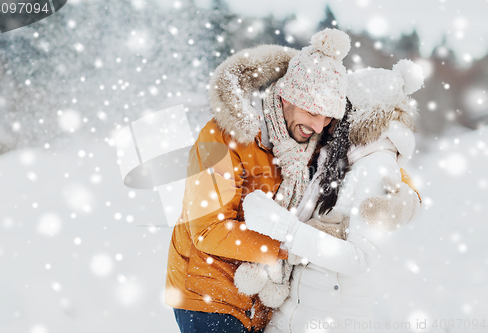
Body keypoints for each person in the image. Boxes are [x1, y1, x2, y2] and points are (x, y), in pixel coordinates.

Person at [165, 28, 352, 333]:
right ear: (286, 96)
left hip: (261, 304)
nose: (318, 126)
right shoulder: (225, 136)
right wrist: (290, 246)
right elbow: (209, 230)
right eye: (312, 111)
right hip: (208, 297)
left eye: (328, 117)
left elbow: (367, 150)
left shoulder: (308, 145)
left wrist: (398, 185)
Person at [242, 60, 424, 333]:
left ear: (356, 113)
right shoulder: (338, 159)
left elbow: (358, 257)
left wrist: (286, 228)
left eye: (336, 110)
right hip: (297, 311)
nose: (325, 121)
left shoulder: (376, 166)